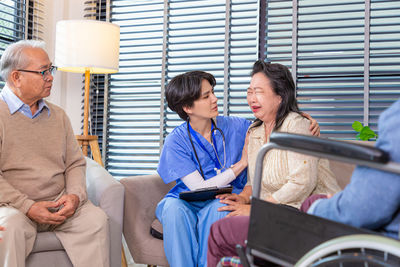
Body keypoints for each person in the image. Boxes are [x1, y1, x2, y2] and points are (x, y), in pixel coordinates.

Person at [156, 70, 320, 267]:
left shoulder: (236, 126)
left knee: (221, 206)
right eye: (206, 96)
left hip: (224, 196)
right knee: (173, 210)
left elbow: (272, 120)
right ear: (187, 107)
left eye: (213, 92)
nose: (215, 99)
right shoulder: (176, 141)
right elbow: (198, 188)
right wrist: (240, 165)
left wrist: (303, 118)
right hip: (188, 199)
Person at [207, 61, 341, 266]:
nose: (252, 98)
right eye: (249, 91)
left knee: (220, 231)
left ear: (280, 96)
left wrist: (258, 210)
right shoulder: (255, 131)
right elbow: (254, 179)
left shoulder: (297, 125)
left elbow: (302, 183)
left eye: (259, 92)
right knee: (224, 220)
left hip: (306, 214)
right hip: (276, 213)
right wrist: (243, 197)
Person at [0, 40, 110, 267]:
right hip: (13, 207)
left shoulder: (58, 115)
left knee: (96, 220)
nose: (50, 77)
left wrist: (74, 196)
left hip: (59, 203)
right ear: (16, 78)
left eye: (51, 70)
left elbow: (74, 164)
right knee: (9, 228)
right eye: (43, 72)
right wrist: (28, 206)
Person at [302, 98, 400, 239]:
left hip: (382, 242)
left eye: (259, 91)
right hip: (372, 213)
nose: (256, 98)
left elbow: (363, 209)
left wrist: (315, 207)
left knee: (310, 203)